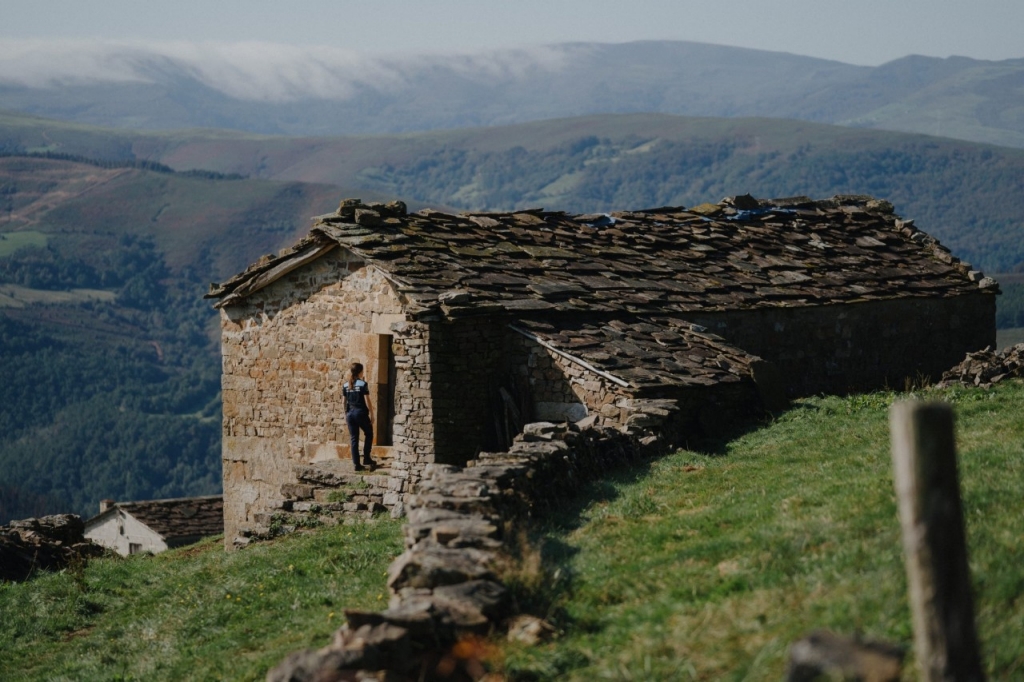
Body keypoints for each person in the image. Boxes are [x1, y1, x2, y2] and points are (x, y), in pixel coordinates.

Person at [342, 362, 377, 471]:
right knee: (369, 433)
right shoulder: (363, 384)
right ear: (360, 372)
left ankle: (356, 464)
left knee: (354, 439)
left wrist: (345, 414)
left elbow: (343, 402)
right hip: (360, 413)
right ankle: (366, 458)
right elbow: (367, 401)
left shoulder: (345, 385)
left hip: (350, 414)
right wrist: (372, 414)